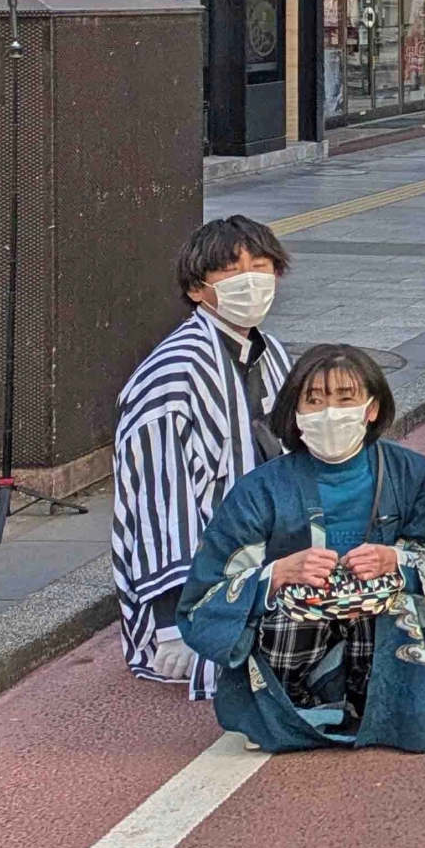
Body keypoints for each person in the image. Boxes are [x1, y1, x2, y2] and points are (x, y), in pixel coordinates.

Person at [176, 347, 425, 753]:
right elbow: (202, 598)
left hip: (375, 632)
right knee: (283, 596)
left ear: (371, 408)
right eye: (315, 400)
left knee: (395, 594)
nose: (330, 412)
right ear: (296, 413)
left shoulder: (410, 473)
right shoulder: (258, 490)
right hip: (289, 646)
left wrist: (396, 561)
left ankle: (377, 703)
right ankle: (296, 707)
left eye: (345, 398)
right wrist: (277, 574)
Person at [112, 216, 298, 694]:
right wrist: (173, 624)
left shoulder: (270, 351)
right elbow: (157, 506)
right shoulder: (170, 378)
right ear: (197, 289)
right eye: (232, 273)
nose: (251, 282)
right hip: (201, 576)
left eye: (261, 267)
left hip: (270, 553)